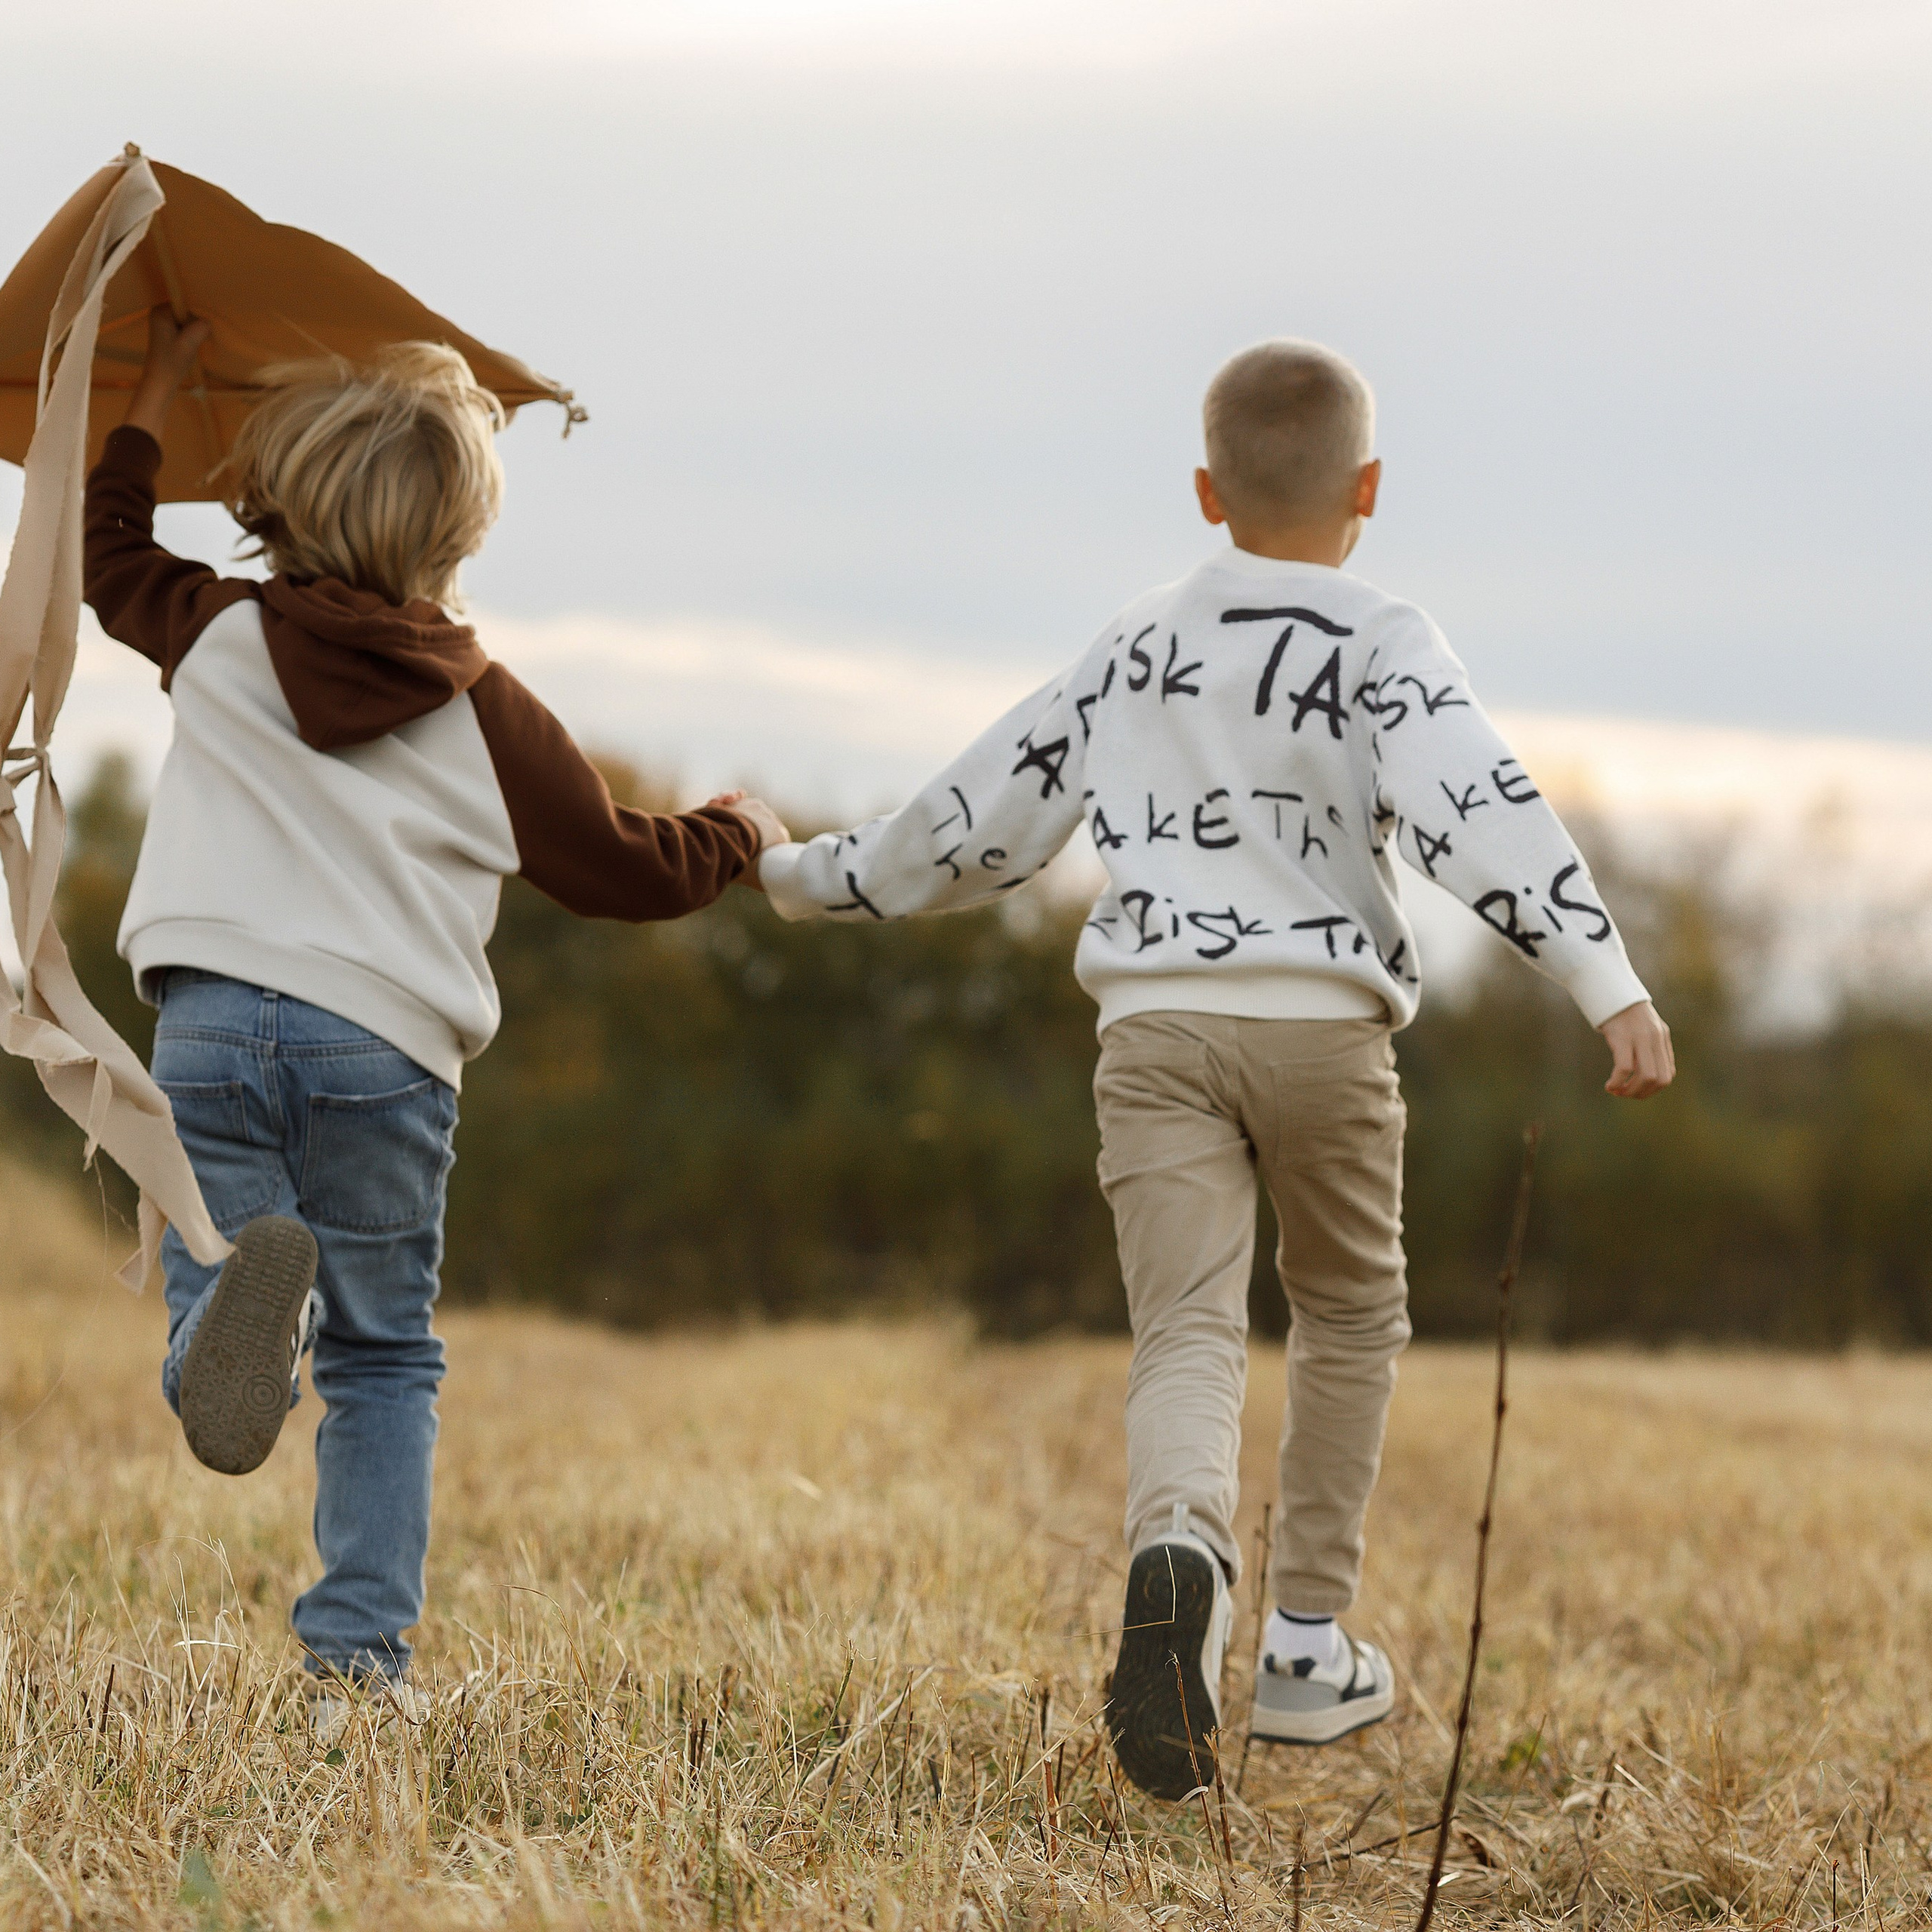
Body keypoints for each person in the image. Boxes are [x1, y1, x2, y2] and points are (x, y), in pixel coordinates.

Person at [755, 339, 1675, 1798]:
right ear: (1368, 488)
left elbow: (981, 815)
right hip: (1325, 1034)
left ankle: (1181, 1551)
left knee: (1186, 1327)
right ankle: (1306, 1645)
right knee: (1349, 1315)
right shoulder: (1383, 641)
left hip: (1159, 1029)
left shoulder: (1134, 646)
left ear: (1205, 491)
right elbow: (1485, 809)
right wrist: (1608, 984)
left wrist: (809, 875)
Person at [83, 308, 787, 1720]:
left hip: (212, 1019)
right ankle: (356, 1665)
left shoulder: (215, 634)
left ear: (268, 499)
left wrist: (154, 398)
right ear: (458, 543)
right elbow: (619, 871)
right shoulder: (487, 707)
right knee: (385, 1353)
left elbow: (108, 559)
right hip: (384, 1052)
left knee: (219, 1264)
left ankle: (227, 1329)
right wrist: (735, 830)